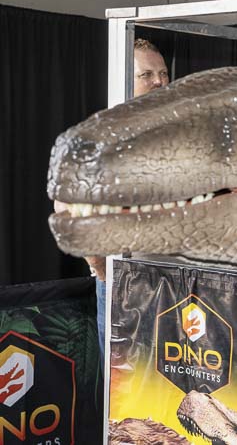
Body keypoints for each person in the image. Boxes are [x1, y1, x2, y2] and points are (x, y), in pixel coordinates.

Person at [55, 39, 169, 353]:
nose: (159, 81)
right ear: (122, 78)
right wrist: (106, 272)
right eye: (146, 75)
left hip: (174, 288)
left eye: (163, 73)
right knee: (125, 395)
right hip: (127, 291)